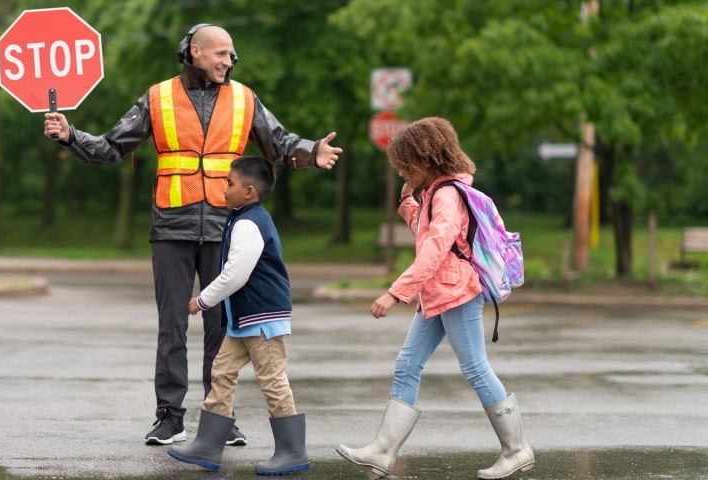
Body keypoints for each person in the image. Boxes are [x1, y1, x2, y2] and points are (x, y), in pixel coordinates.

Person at [43, 23, 341, 445]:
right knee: (172, 325)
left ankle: (221, 417)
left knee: (224, 327)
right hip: (171, 226)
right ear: (194, 52)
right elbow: (112, 147)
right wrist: (71, 135)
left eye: (232, 55)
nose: (229, 61)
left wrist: (313, 151)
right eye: (221, 53)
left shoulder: (244, 98)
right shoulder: (158, 96)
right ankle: (169, 417)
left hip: (226, 226)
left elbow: (279, 142)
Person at [335, 117, 534, 479]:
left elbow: (435, 250)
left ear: (423, 161)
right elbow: (426, 233)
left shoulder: (446, 194)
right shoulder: (436, 193)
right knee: (407, 365)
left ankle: (516, 449)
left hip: (455, 292)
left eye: (403, 167)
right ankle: (382, 451)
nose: (400, 173)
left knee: (475, 367)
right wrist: (407, 199)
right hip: (437, 294)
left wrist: (396, 293)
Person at [167, 156, 309, 474]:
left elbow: (236, 274)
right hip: (245, 319)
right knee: (222, 371)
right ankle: (207, 444)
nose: (224, 187)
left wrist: (203, 300)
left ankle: (292, 451)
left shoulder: (249, 222)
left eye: (229, 183)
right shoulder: (241, 217)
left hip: (262, 316)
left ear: (248, 192)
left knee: (272, 379)